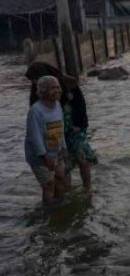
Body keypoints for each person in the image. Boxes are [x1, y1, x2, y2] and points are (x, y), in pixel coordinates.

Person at [25, 62, 97, 191]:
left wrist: (79, 125)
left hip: (75, 127)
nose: (34, 82)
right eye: (32, 80)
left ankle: (87, 189)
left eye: (35, 78)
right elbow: (35, 122)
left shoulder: (66, 83)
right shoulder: (37, 91)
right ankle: (66, 194)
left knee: (83, 160)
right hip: (56, 133)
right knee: (64, 168)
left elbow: (80, 105)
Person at [24, 75, 67, 205]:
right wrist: (44, 155)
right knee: (48, 183)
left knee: (60, 178)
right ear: (43, 91)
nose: (57, 90)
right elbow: (34, 135)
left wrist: (64, 147)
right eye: (52, 88)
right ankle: (49, 211)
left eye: (58, 87)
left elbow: (61, 127)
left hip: (56, 151)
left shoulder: (58, 105)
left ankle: (60, 205)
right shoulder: (35, 110)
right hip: (39, 156)